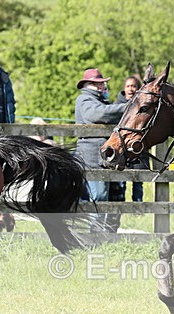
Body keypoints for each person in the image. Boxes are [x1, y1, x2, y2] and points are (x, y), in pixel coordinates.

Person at [74, 68, 128, 231]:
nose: (103, 86)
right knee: (98, 196)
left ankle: (104, 233)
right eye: (100, 83)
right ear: (91, 84)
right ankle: (95, 233)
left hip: (101, 157)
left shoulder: (98, 100)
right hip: (92, 157)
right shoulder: (85, 100)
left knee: (107, 196)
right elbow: (98, 115)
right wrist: (127, 107)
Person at [114, 75, 145, 202]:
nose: (130, 89)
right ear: (124, 88)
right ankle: (122, 204)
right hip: (122, 148)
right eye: (128, 86)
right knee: (121, 180)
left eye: (133, 86)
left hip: (137, 148)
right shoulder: (116, 105)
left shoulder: (142, 106)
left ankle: (138, 206)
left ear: (138, 88)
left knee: (138, 181)